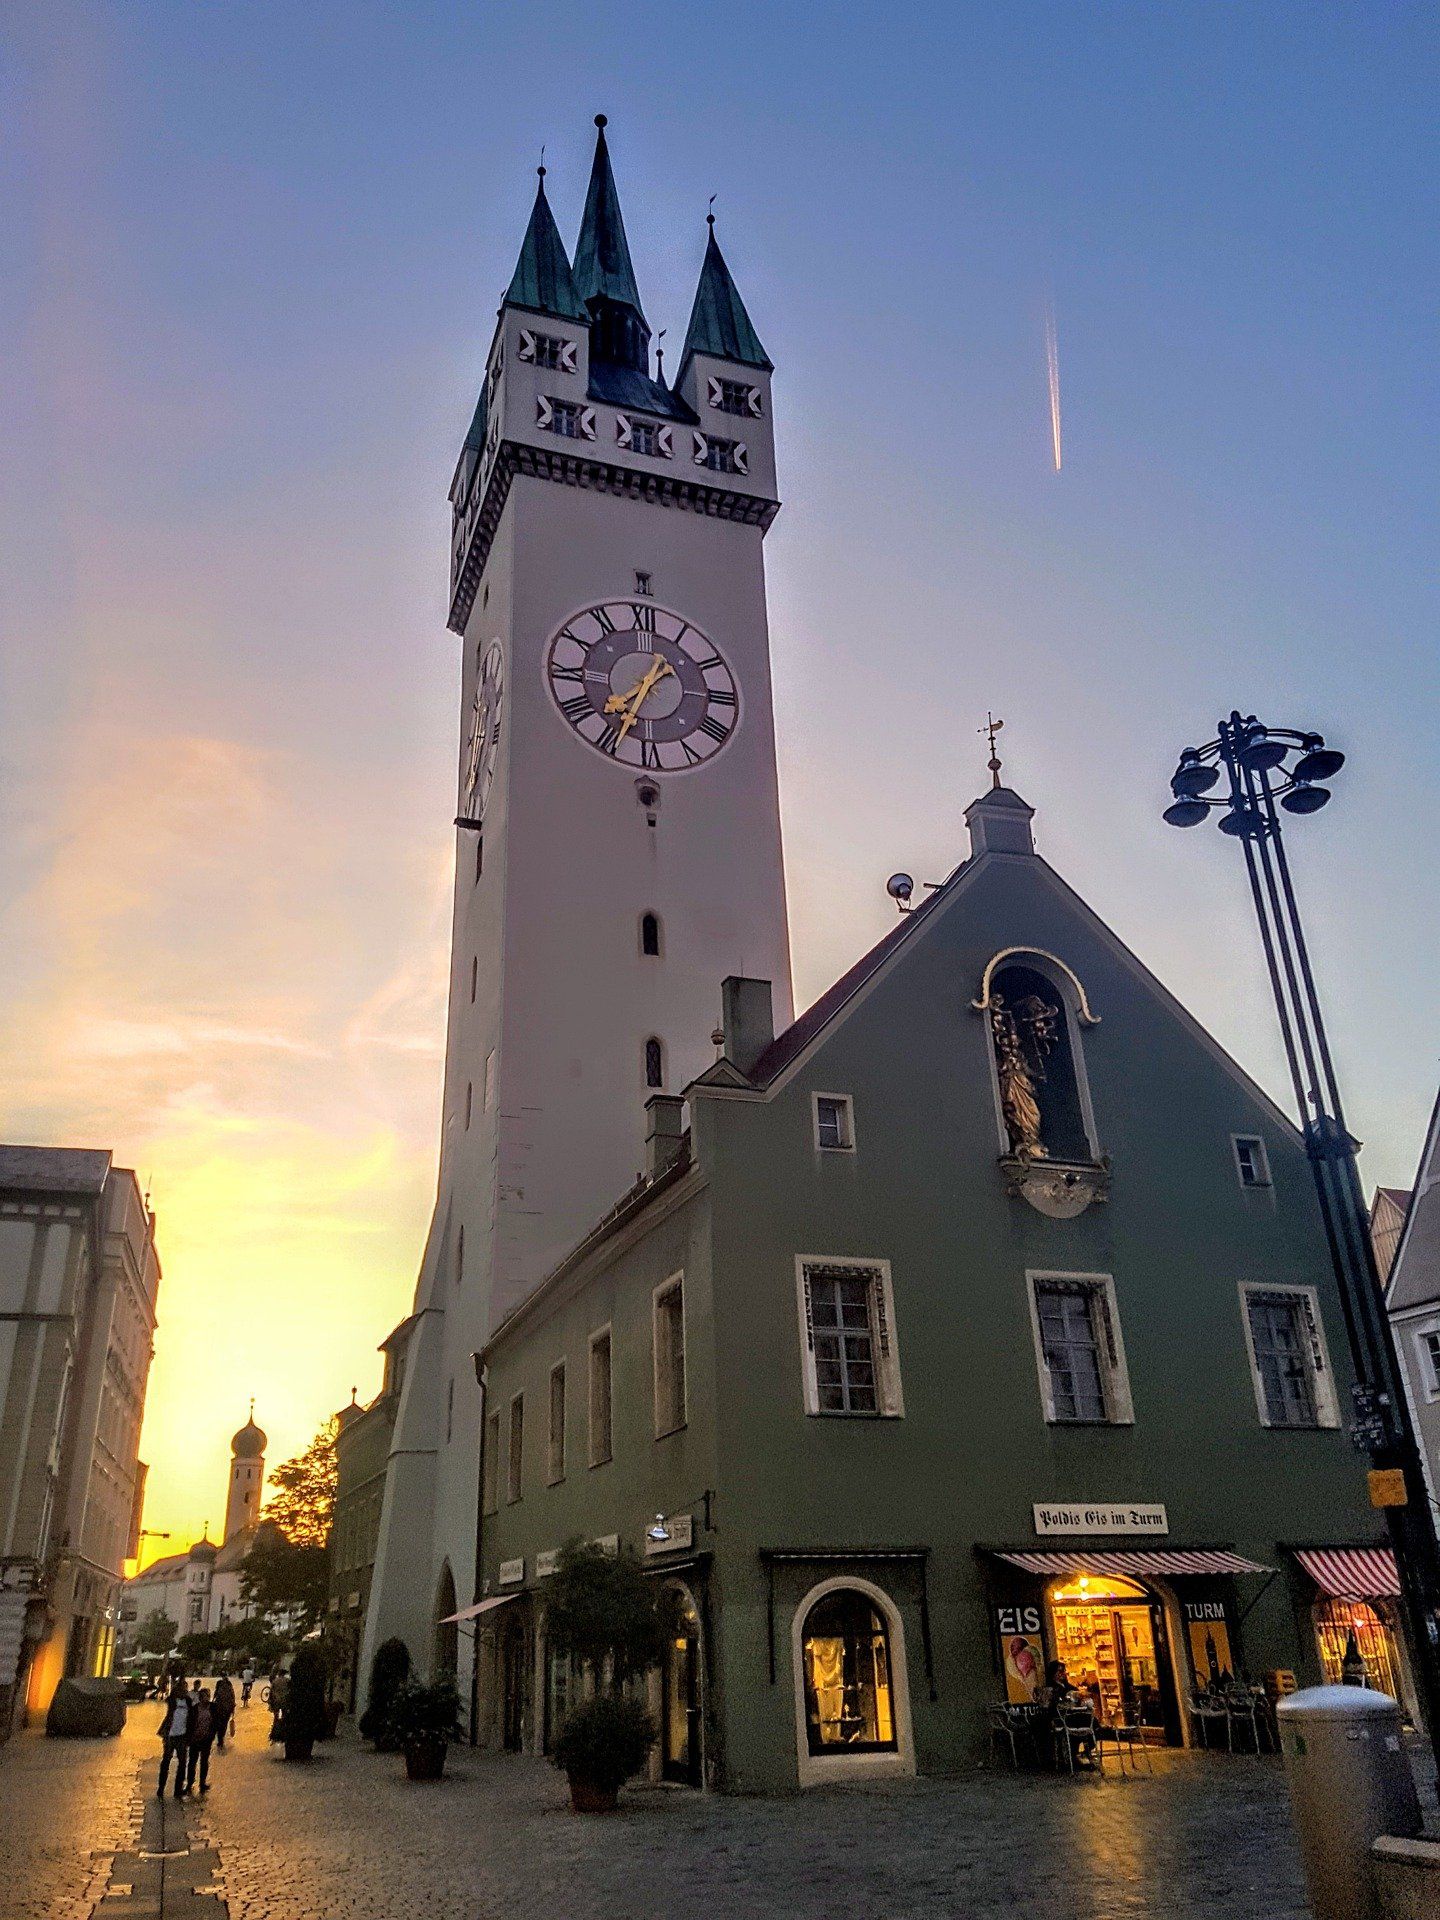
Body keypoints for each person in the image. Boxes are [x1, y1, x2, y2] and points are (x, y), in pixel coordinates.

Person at [157, 1679, 192, 1799]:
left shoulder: (188, 1701)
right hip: (170, 1735)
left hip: (182, 1736)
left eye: (185, 1688)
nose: (185, 1690)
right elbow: (167, 1700)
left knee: (182, 1763)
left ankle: (178, 1789)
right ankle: (161, 1788)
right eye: (182, 1688)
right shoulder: (172, 1701)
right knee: (166, 1761)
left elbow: (191, 1716)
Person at [186, 1685, 215, 1795]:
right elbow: (190, 1724)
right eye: (204, 1696)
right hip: (195, 1739)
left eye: (208, 1696)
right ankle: (189, 1783)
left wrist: (212, 1735)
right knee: (192, 1762)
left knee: (204, 1762)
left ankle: (202, 1783)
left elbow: (216, 1722)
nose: (206, 1698)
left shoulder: (212, 1708)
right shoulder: (194, 1709)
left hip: (206, 1740)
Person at [211, 1674, 236, 1752]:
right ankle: (220, 1741)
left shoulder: (219, 1684)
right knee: (223, 1725)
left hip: (220, 1708)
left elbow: (215, 1695)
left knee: (219, 1725)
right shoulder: (229, 1685)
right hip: (227, 1709)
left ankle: (220, 1741)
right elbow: (233, 1697)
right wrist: (232, 1709)